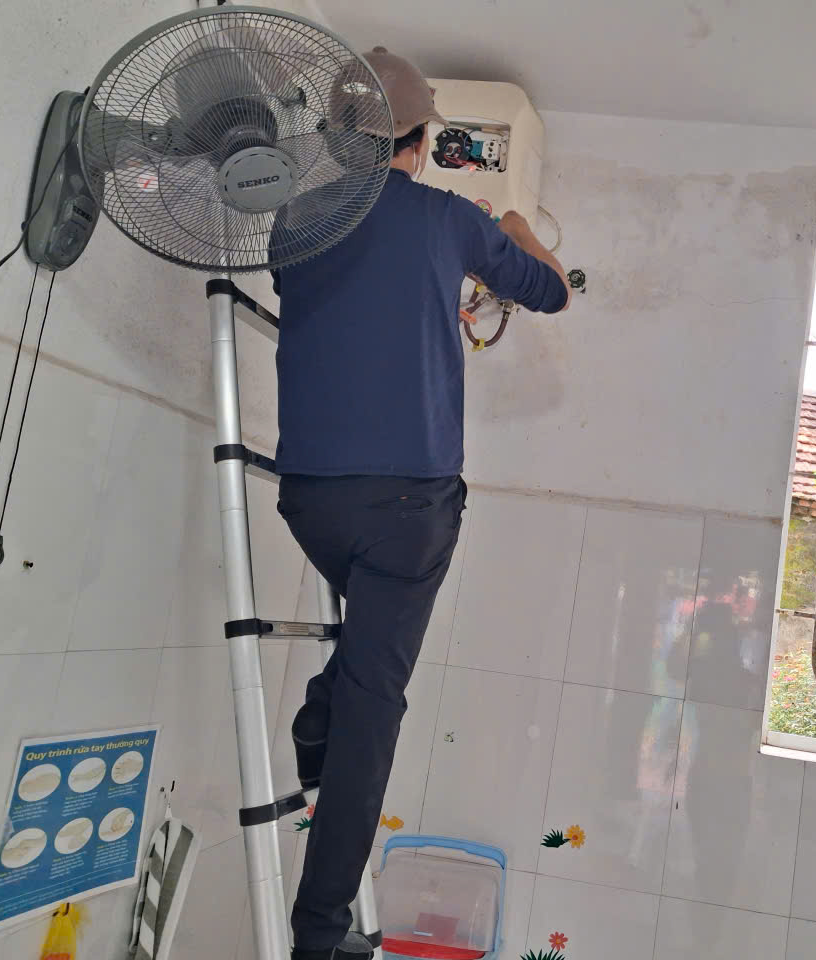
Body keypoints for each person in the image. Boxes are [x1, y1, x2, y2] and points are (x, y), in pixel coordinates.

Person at [269, 49, 570, 960]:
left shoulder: (294, 219)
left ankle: (321, 713)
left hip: (309, 501)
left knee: (365, 664)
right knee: (374, 711)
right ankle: (320, 934)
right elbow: (551, 292)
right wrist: (514, 227)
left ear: (334, 138)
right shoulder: (447, 218)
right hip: (408, 510)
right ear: (424, 140)